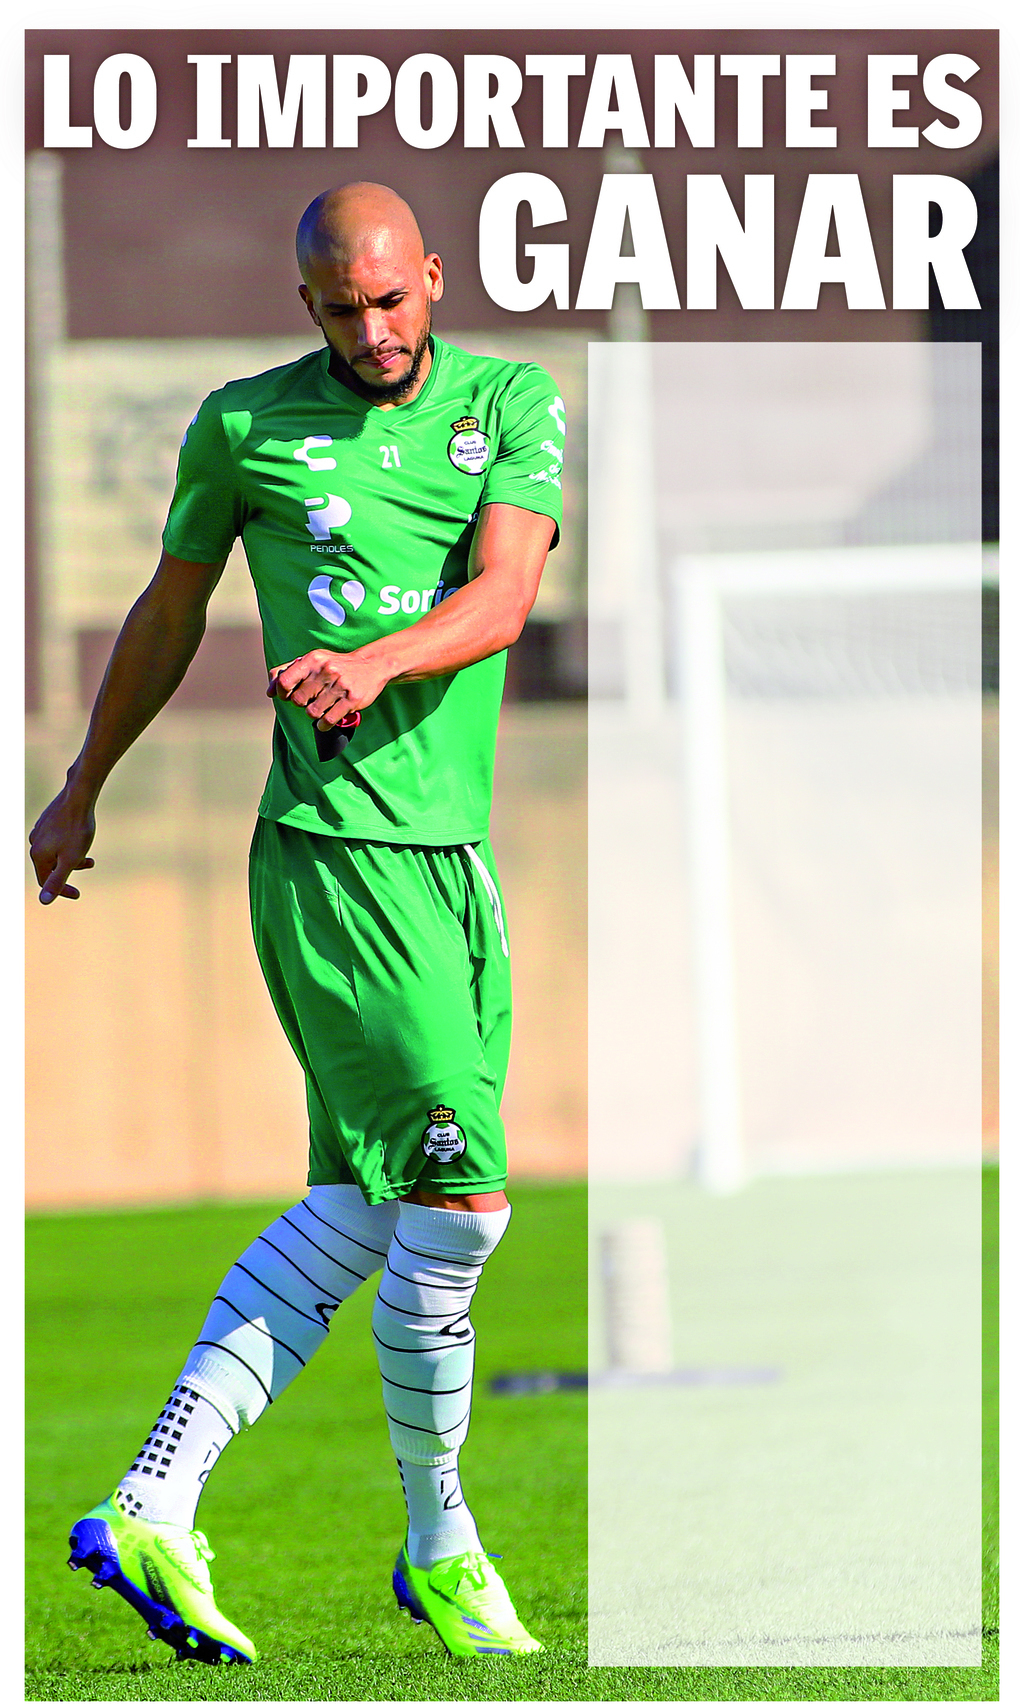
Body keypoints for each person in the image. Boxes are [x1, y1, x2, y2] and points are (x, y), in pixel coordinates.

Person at [29, 181, 565, 1665]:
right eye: (343, 308)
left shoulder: (509, 403)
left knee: (368, 1211)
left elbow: (505, 596)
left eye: (392, 300)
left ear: (433, 278)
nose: (373, 330)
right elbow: (169, 609)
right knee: (460, 1206)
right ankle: (443, 1544)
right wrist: (83, 784)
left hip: (452, 863)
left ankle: (156, 1498)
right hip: (338, 862)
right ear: (306, 304)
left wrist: (377, 660)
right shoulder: (245, 427)